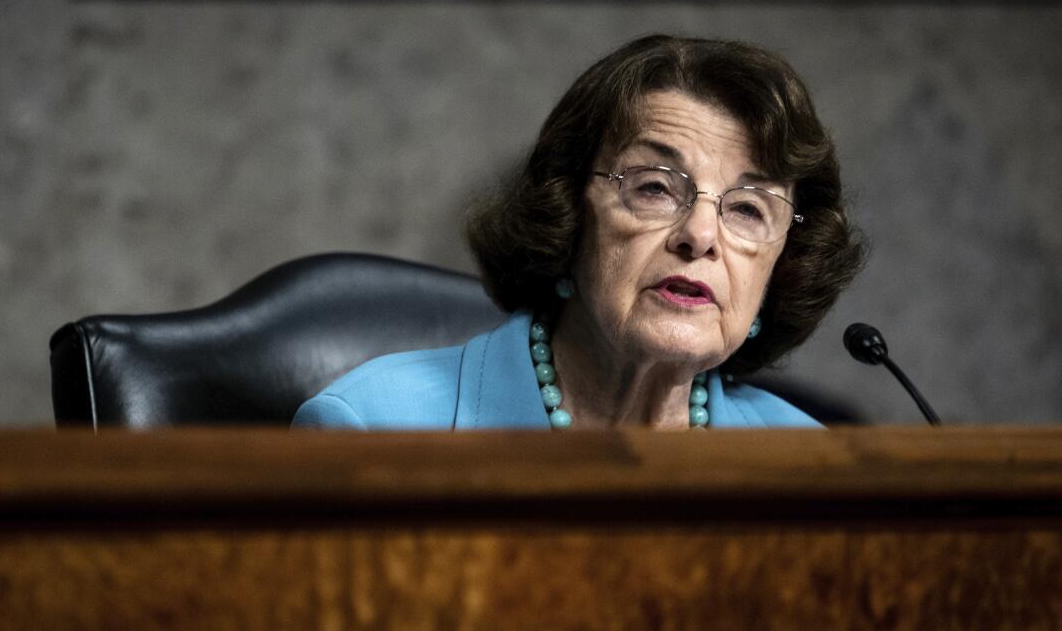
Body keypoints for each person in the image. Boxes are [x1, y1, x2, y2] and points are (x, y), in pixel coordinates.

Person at [294, 34, 865, 430]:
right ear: (568, 216)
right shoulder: (369, 430)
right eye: (655, 187)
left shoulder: (811, 470)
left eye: (746, 209)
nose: (700, 235)